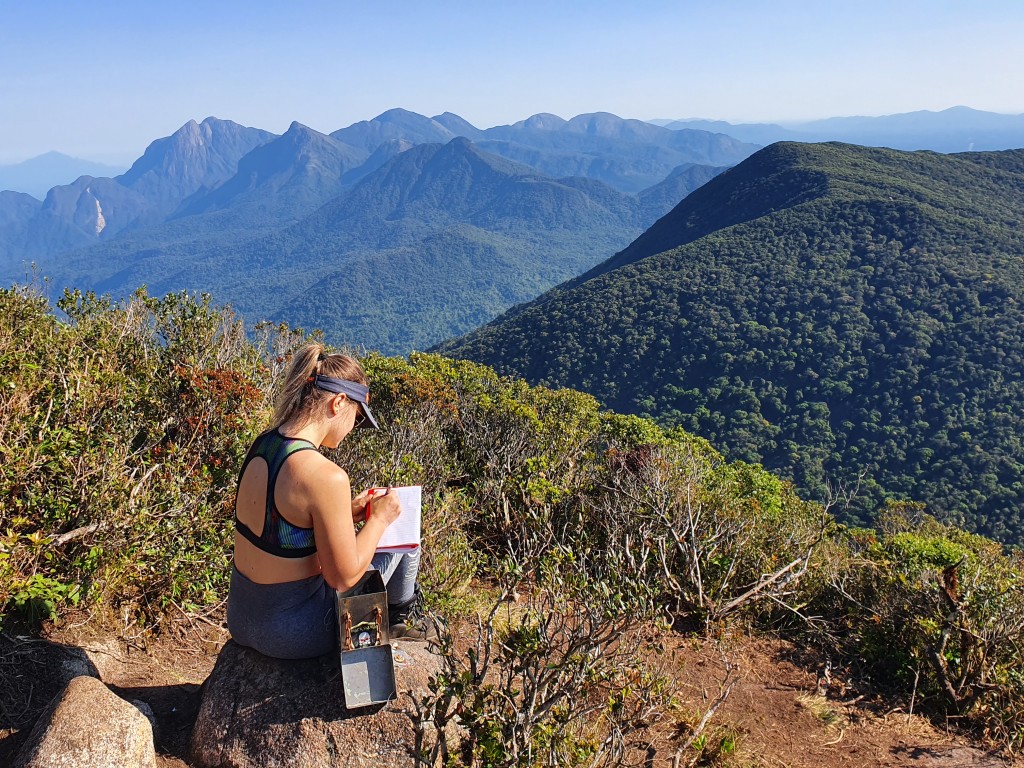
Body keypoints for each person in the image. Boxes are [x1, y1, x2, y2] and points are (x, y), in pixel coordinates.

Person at [226, 344, 425, 659]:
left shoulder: (263, 446)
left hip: (241, 618)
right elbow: (344, 577)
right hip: (295, 632)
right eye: (356, 419)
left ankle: (399, 621)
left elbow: (280, 532)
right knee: (402, 535)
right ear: (339, 402)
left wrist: (346, 515)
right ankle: (401, 621)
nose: (352, 429)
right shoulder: (326, 476)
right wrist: (379, 520)